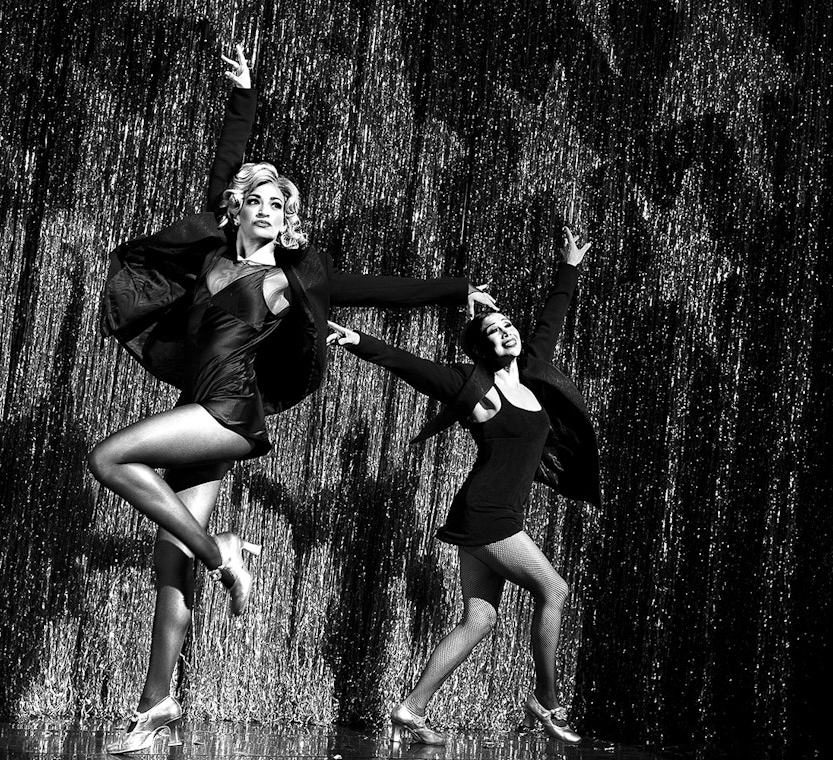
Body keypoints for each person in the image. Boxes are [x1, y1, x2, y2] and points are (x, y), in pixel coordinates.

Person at [92, 44, 495, 754]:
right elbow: (224, 169)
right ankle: (156, 707)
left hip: (227, 415)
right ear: (238, 210)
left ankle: (223, 551)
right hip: (197, 410)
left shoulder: (292, 279)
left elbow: (383, 288)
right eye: (260, 201)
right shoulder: (214, 256)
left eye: (283, 205)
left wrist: (454, 288)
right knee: (167, 568)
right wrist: (243, 95)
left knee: (111, 457)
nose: (271, 211)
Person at [327, 226, 599, 745]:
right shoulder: (474, 388)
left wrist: (569, 266)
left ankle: (411, 708)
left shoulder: (534, 375)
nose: (507, 334)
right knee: (555, 589)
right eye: (494, 332)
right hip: (488, 516)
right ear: (481, 347)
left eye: (508, 326)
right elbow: (413, 367)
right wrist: (357, 340)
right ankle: (546, 701)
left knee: (479, 618)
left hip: (481, 516)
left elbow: (549, 323)